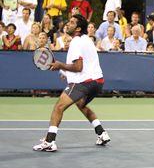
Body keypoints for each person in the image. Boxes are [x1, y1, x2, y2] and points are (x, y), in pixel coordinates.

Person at [33, 14, 110, 152]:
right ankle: (102, 133)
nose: (68, 24)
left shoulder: (76, 41)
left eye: (72, 22)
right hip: (98, 82)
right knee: (81, 104)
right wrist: (66, 72)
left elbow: (78, 67)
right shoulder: (86, 39)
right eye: (69, 21)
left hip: (84, 82)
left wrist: (60, 65)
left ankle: (49, 142)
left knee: (58, 107)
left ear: (78, 28)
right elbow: (84, 66)